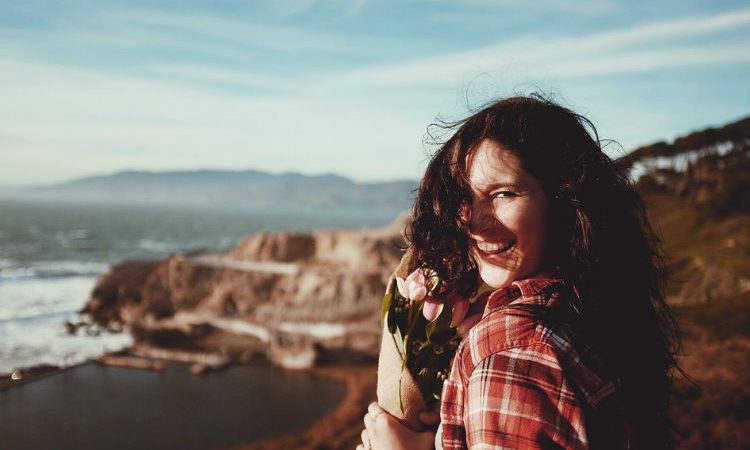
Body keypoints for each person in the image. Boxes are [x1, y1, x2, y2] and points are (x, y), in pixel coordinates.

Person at [358, 95, 680, 449]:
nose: (474, 222)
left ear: (564, 201)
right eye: (462, 197)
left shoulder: (514, 349)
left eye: (504, 194)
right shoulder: (594, 308)